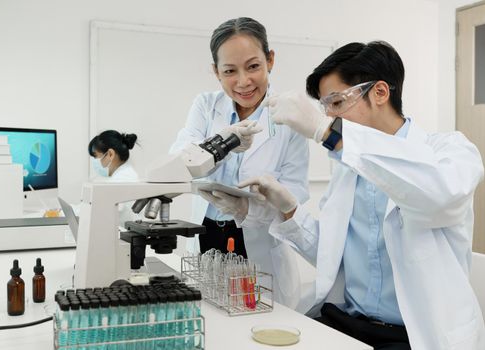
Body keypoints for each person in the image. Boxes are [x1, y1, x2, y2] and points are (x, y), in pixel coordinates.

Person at [203, 41, 485, 349]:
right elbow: (331, 255)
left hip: (415, 333)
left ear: (380, 92)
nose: (329, 115)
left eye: (336, 103)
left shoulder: (450, 152)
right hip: (347, 323)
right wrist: (283, 209)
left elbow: (436, 197)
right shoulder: (348, 167)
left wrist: (328, 132)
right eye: (325, 108)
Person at [169, 17, 309, 308]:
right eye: (230, 71)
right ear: (216, 72)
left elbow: (296, 193)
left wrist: (249, 208)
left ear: (270, 60)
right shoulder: (206, 106)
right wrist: (221, 143)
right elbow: (181, 157)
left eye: (253, 66)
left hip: (258, 242)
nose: (243, 81)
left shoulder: (289, 116)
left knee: (257, 319)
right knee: (211, 316)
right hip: (205, 235)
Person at [88, 130, 140, 225]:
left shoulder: (123, 179)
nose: (94, 161)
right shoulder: (122, 175)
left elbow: (101, 212)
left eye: (96, 156)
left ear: (110, 154)